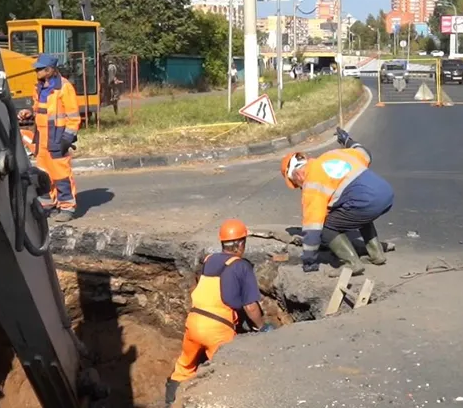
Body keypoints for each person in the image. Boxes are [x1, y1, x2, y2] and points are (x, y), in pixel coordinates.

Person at [164, 219, 271, 405]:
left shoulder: (209, 260)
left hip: (194, 322)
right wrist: (262, 327)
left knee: (184, 365)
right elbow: (250, 306)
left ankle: (170, 402)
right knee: (225, 371)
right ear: (240, 244)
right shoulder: (241, 266)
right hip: (217, 329)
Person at [280, 127, 393, 275]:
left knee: (325, 225)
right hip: (386, 193)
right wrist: (347, 141)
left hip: (365, 202)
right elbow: (364, 152)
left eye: (296, 184)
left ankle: (352, 263)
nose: (300, 187)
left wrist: (309, 261)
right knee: (356, 212)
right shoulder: (333, 155)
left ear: (297, 175)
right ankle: (376, 255)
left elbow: (313, 227)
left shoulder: (311, 182)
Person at [17, 54, 82, 222]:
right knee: (45, 174)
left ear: (50, 70)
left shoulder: (64, 88)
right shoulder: (39, 87)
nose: (36, 72)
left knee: (61, 174)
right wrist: (29, 114)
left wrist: (67, 139)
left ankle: (67, 207)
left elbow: (73, 117)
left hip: (57, 138)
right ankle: (51, 205)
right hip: (42, 138)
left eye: (39, 69)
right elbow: (39, 110)